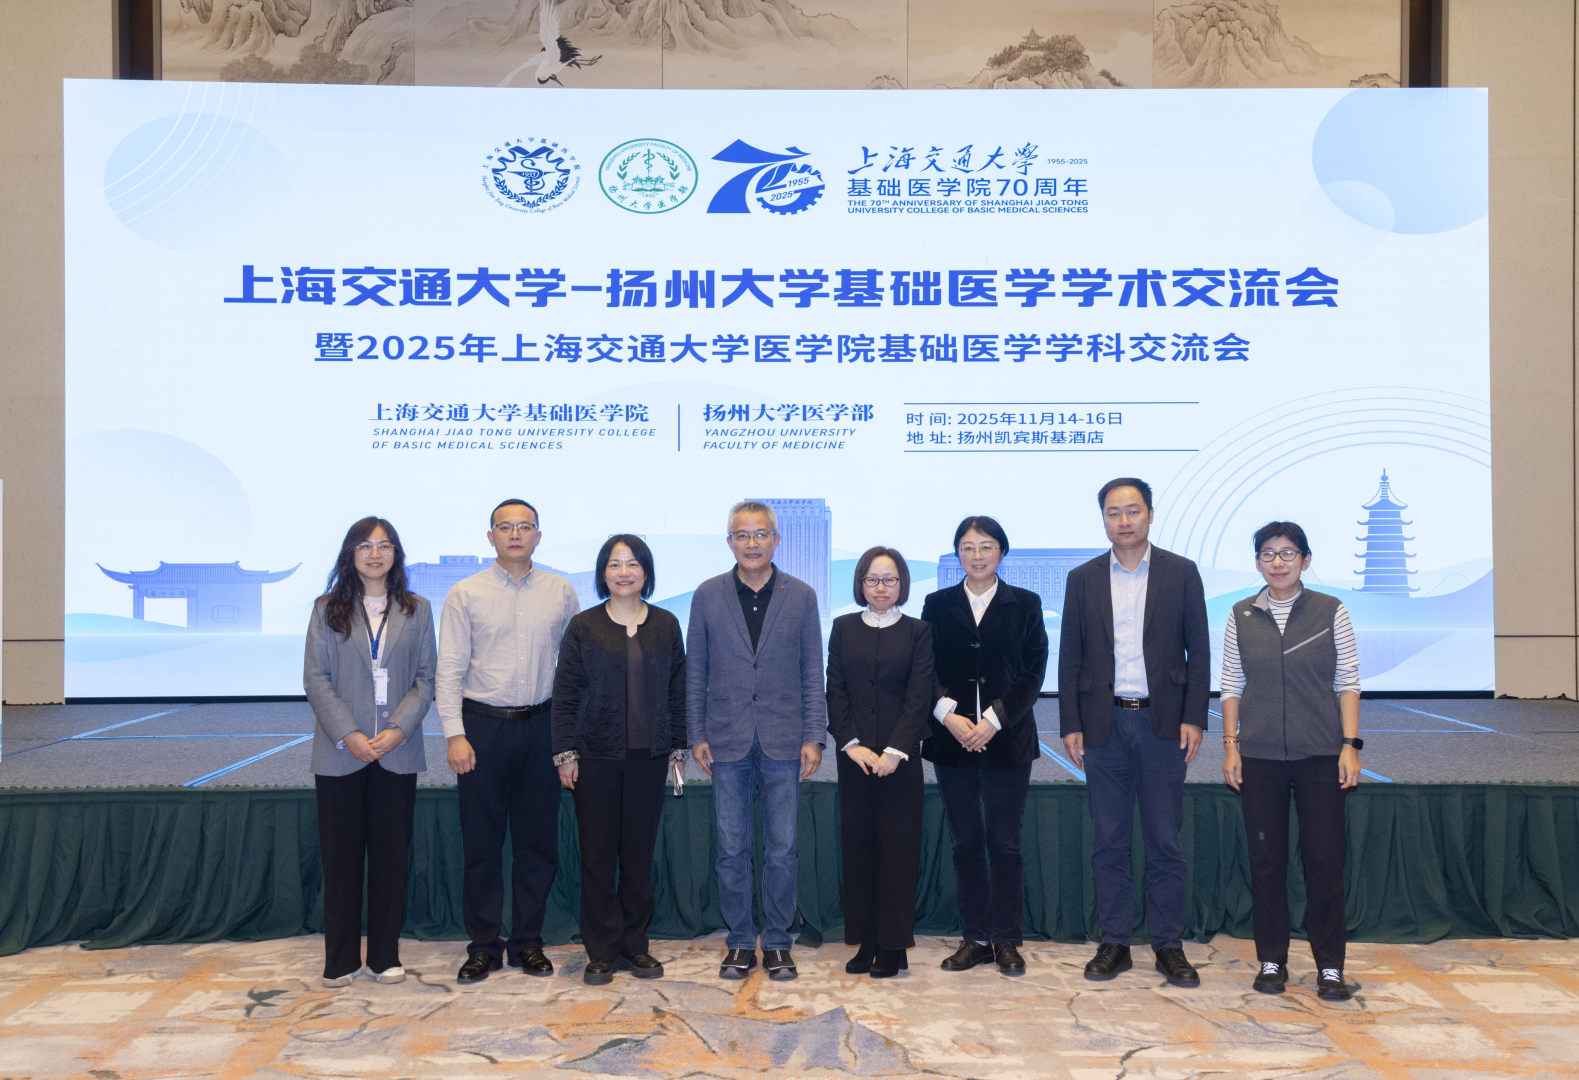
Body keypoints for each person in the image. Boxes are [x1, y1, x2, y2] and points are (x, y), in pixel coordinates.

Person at [1058, 478, 1210, 987]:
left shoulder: (1181, 572)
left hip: (1163, 724)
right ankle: (1115, 942)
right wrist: (1071, 722)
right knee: (1109, 841)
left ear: (1150, 514)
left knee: (1165, 840)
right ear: (1103, 518)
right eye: (1113, 512)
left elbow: (1199, 650)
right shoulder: (1082, 578)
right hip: (1103, 725)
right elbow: (1071, 655)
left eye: (1133, 510)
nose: (1123, 521)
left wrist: (1194, 716)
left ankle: (1168, 945)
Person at [437, 498, 579, 984]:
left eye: (525, 527)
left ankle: (527, 943)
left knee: (537, 843)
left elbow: (573, 670)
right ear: (490, 536)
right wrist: (455, 734)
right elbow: (449, 669)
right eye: (505, 527)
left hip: (541, 726)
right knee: (482, 844)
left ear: (538, 535)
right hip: (482, 728)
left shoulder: (561, 591)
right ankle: (482, 946)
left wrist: (568, 739)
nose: (515, 534)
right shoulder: (465, 593)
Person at [1220, 521, 1362, 1001]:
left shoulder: (1330, 610)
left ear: (1305, 559)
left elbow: (1348, 681)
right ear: (1257, 562)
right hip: (1259, 756)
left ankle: (1330, 967)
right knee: (1266, 864)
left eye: (1287, 553)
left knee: (1324, 864)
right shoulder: (1240, 614)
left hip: (1321, 754)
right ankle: (1272, 960)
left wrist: (1349, 745)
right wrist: (1231, 745)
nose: (1277, 562)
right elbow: (1231, 684)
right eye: (1267, 553)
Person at [687, 500, 825, 981]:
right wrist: (696, 734)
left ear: (776, 540)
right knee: (731, 849)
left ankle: (779, 941)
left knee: (782, 850)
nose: (752, 543)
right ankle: (741, 941)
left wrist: (815, 736)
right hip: (725, 739)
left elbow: (812, 672)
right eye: (742, 535)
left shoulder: (801, 595)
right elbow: (696, 672)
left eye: (761, 534)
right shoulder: (706, 595)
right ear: (729, 542)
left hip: (784, 739)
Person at [304, 516, 435, 987]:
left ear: (396, 554)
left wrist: (398, 728)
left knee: (390, 859)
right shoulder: (327, 609)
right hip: (342, 751)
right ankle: (340, 960)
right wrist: (351, 733)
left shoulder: (417, 609)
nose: (375, 554)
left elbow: (426, 677)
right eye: (365, 545)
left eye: (384, 546)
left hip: (397, 751)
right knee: (340, 860)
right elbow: (315, 679)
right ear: (350, 554)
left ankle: (384, 956)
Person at [552, 534, 688, 986]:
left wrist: (678, 749)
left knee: (637, 855)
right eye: (614, 564)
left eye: (632, 563)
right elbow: (565, 695)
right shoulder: (584, 626)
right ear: (602, 573)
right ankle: (601, 950)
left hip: (649, 759)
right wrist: (565, 754)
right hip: (595, 759)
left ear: (646, 571)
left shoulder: (666, 624)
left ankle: (635, 945)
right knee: (598, 857)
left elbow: (678, 691)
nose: (624, 572)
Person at [921, 516, 1048, 977]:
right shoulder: (937, 604)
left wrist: (994, 719)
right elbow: (924, 666)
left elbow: (1034, 670)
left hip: (1007, 739)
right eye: (968, 547)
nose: (977, 555)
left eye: (987, 546)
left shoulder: (1025, 603)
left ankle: (1007, 940)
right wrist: (947, 715)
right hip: (951, 739)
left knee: (1005, 842)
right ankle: (975, 938)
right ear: (958, 553)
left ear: (1002, 552)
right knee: (966, 842)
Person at [826, 546, 935, 979]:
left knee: (898, 853)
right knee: (860, 852)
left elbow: (919, 695)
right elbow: (835, 690)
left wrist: (895, 751)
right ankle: (866, 940)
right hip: (855, 761)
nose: (881, 587)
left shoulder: (918, 631)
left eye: (889, 579)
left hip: (900, 763)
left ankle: (893, 946)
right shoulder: (842, 628)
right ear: (861, 584)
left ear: (902, 584)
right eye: (872, 579)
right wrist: (851, 744)